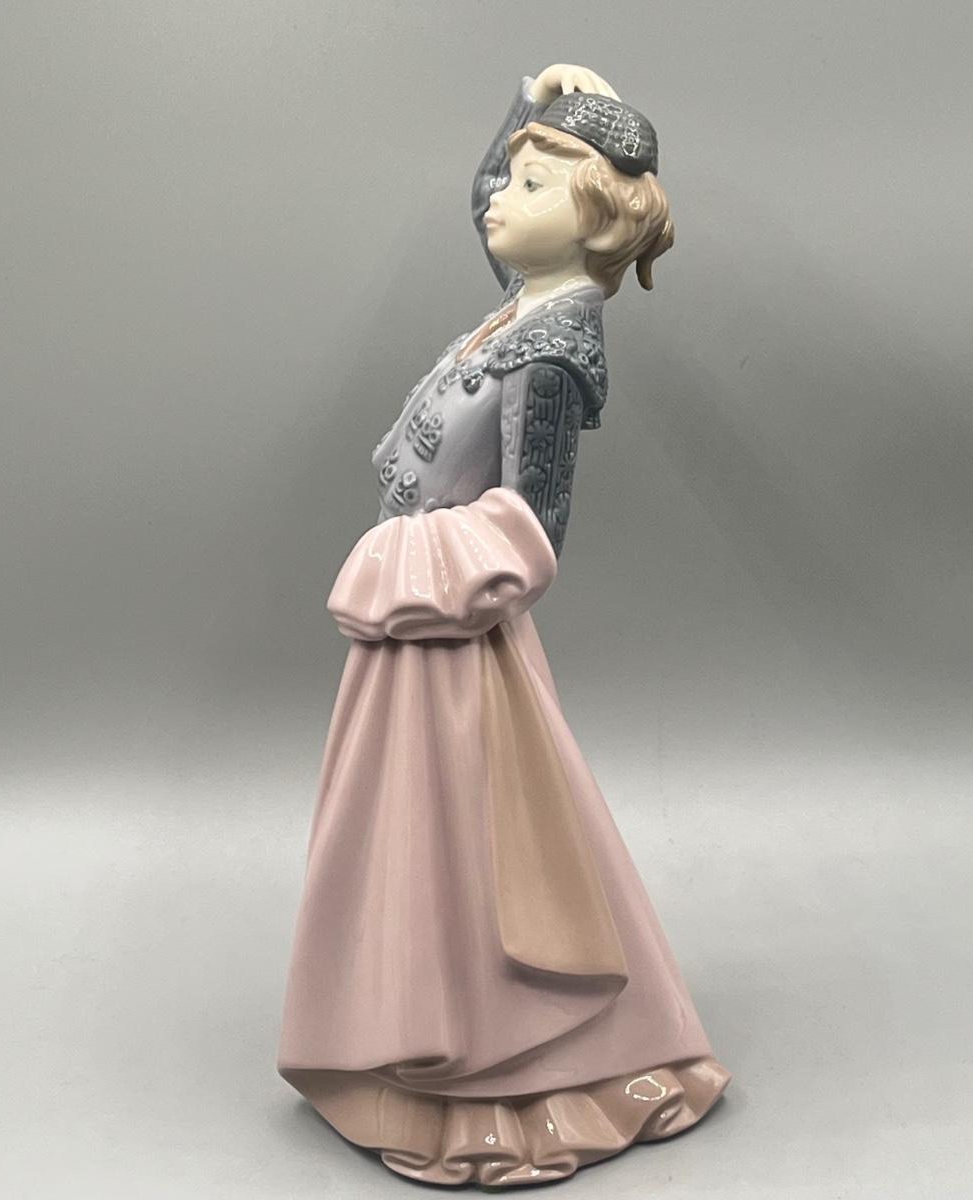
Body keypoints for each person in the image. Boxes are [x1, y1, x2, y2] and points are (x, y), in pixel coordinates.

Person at [276, 64, 731, 1188]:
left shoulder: (554, 353)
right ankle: (402, 1018)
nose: (498, 199)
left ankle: (498, 1058)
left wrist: (412, 568)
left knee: (474, 837)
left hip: (451, 629)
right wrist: (531, 105)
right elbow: (486, 192)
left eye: (532, 187)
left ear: (594, 225)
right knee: (411, 832)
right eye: (512, 179)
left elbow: (533, 528)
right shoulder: (526, 299)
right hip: (413, 631)